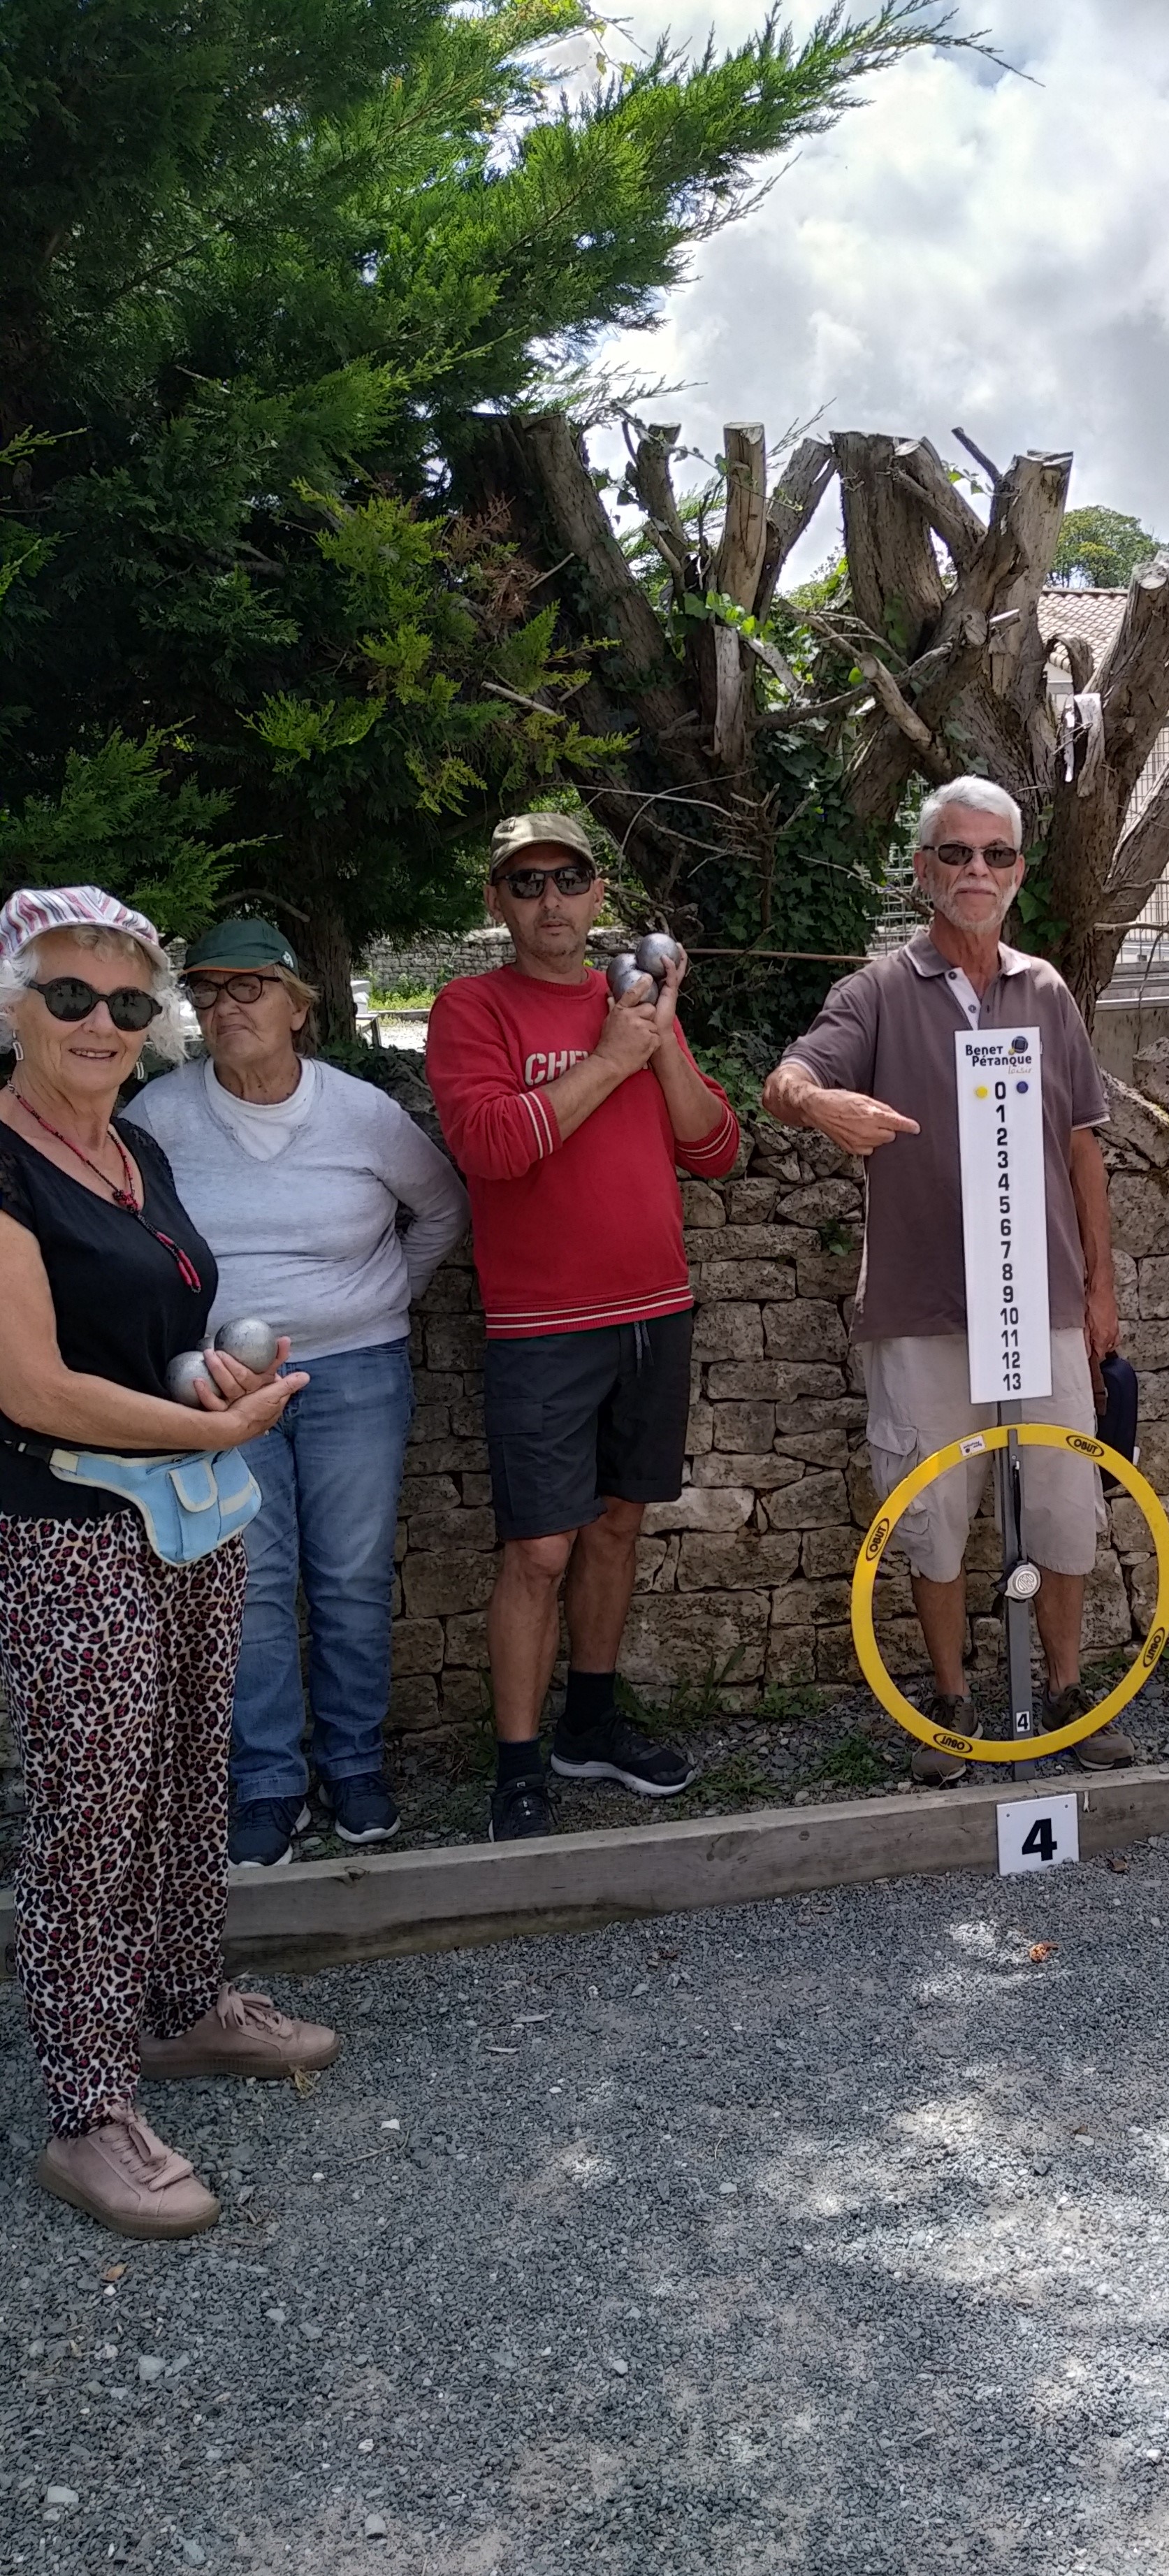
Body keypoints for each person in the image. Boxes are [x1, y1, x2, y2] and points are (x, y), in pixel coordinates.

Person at [0, 886, 337, 2240]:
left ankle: (183, 2006)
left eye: (128, 1001)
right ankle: (88, 2113)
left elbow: (149, 1339)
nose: (101, 1022)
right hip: (67, 1523)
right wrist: (224, 1423)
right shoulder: (4, 1160)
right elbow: (32, 1386)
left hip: (184, 1514)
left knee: (193, 1770)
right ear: (15, 1007)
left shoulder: (136, 1149)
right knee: (92, 1811)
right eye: (69, 995)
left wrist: (209, 1376)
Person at [762, 775, 1130, 1781]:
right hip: (922, 1309)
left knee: (1061, 1502)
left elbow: (1084, 1148)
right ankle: (953, 1701)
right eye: (957, 853)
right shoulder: (878, 992)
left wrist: (1100, 1290)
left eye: (996, 854)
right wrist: (820, 1106)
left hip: (1042, 1302)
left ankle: (1066, 1691)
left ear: (1018, 871)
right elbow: (790, 1077)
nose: (977, 870)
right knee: (932, 1515)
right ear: (924, 869)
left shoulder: (1047, 992)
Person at [426, 813, 741, 1840]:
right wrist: (611, 1057)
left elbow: (715, 1149)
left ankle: (590, 1727)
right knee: (539, 1551)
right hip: (542, 1326)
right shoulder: (471, 1008)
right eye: (526, 884)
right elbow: (490, 1146)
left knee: (616, 1527)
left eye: (568, 878)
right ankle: (518, 1767)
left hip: (652, 1310)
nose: (550, 899)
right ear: (497, 902)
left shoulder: (635, 1005)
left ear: (599, 894)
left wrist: (661, 1037)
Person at [129, 914, 469, 1863]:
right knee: (252, 1583)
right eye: (207, 990)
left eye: (250, 988)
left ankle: (355, 1764)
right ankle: (268, 1782)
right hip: (222, 1384)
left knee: (352, 1577)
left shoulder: (360, 1113)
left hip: (355, 1371)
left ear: (297, 1007)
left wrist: (383, 1299)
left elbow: (442, 1208)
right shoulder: (158, 1117)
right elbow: (127, 1236)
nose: (226, 1006)